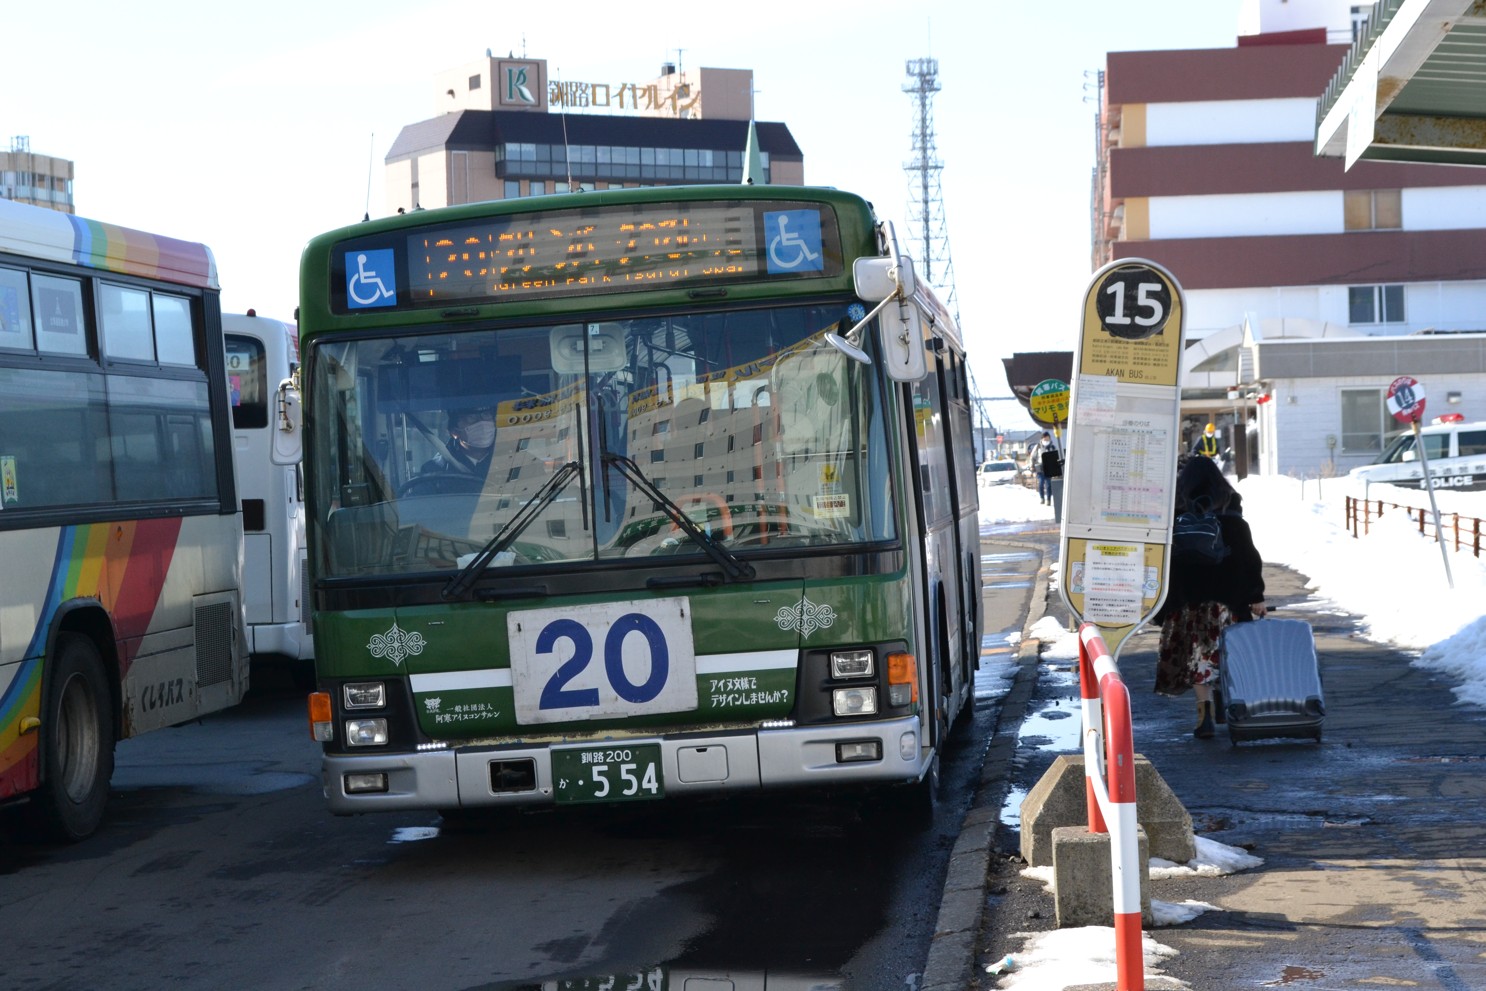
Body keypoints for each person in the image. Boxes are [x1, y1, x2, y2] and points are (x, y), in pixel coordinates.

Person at [1152, 455, 1267, 738]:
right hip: (1226, 602)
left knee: (1197, 658)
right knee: (1226, 653)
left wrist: (1160, 604)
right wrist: (1256, 595)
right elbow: (1249, 559)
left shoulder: (1174, 517)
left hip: (1188, 602)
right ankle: (1223, 697)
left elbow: (1163, 562)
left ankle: (1204, 714)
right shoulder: (1232, 516)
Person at [420, 406, 497, 479]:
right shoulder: (434, 471)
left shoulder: (504, 458)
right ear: (454, 432)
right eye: (471, 417)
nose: (482, 422)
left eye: (486, 414)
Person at [1031, 431, 1057, 505]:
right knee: (1041, 483)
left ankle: (1048, 499)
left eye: (1047, 438)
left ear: (1049, 438)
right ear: (1042, 439)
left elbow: (1055, 458)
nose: (1046, 440)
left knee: (1048, 485)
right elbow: (1032, 457)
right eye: (1045, 439)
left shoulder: (1052, 447)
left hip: (1049, 468)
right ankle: (1042, 498)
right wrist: (1032, 466)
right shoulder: (1038, 447)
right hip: (1040, 468)